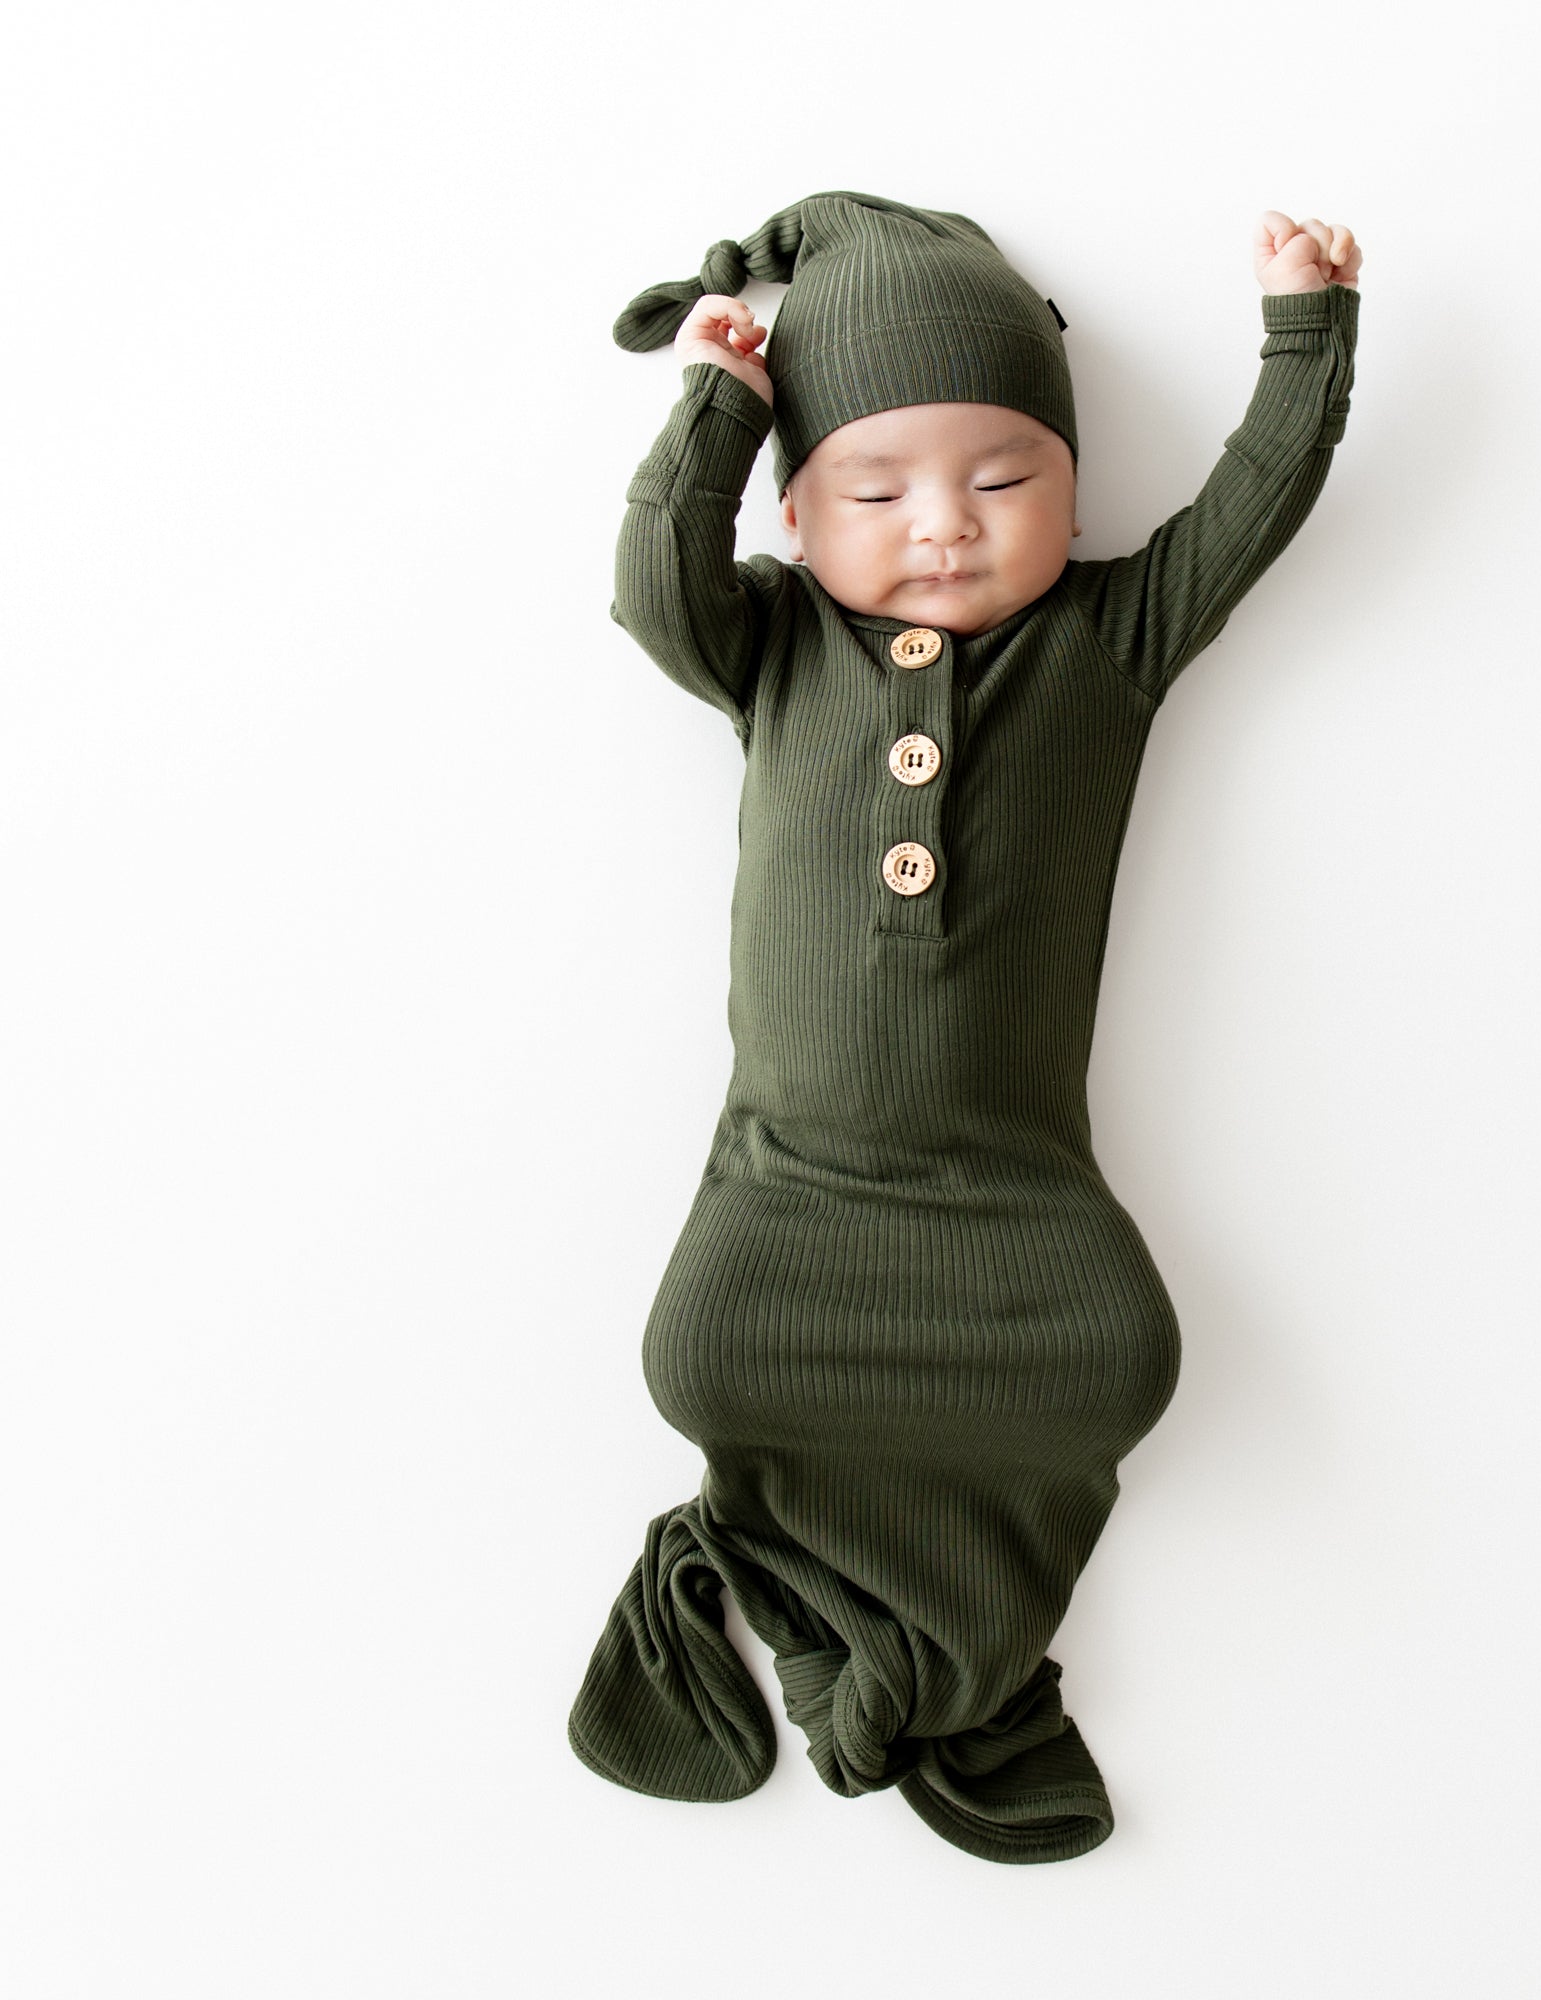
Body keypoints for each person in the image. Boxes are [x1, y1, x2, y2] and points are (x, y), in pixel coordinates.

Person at [569, 189, 1362, 1864]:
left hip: (1011, 1194)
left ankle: (874, 1616)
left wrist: (1307, 330)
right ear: (798, 512)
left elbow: (1251, 510)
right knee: (691, 1359)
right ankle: (748, 1556)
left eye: (1005, 479)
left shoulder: (1108, 642)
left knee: (1123, 1360)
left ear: (1071, 496)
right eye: (878, 486)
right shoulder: (773, 645)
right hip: (791, 1190)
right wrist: (715, 398)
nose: (944, 523)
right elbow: (654, 585)